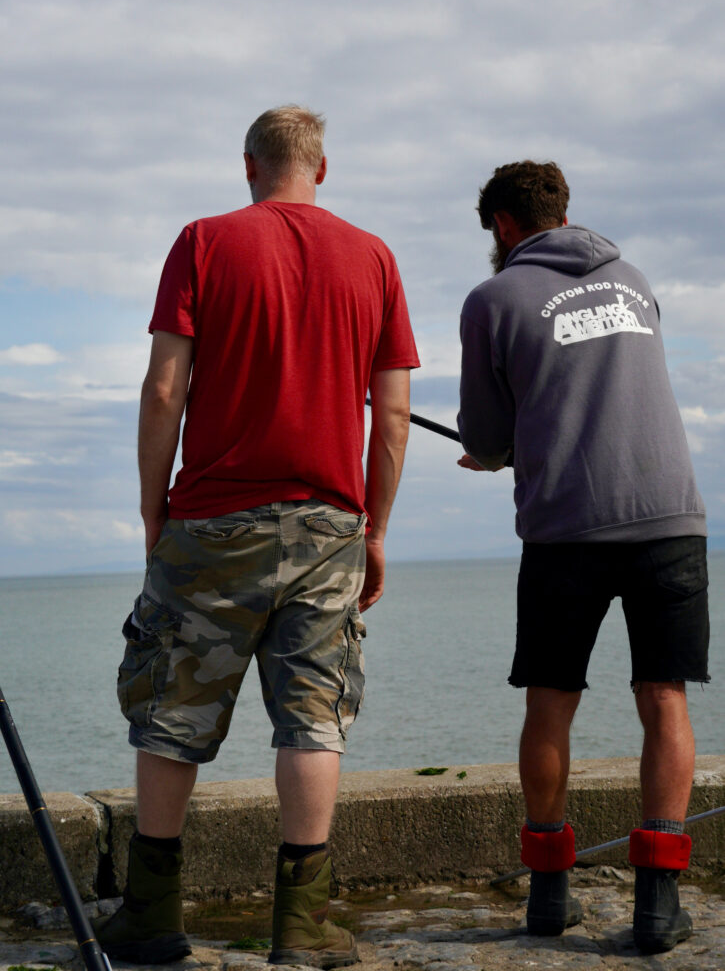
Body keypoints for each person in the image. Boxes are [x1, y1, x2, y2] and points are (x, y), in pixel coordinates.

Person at [95, 106, 419, 968]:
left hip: (210, 522)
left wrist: (153, 507)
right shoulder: (374, 257)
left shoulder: (204, 241)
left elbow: (164, 389)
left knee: (172, 712)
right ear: (323, 168)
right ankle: (302, 926)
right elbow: (391, 417)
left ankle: (151, 917)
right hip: (329, 525)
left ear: (249, 165)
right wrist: (374, 529)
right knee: (312, 717)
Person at [457, 160, 708, 955]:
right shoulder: (632, 280)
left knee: (549, 702)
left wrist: (491, 455)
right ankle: (657, 905)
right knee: (663, 699)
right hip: (669, 516)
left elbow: (485, 437)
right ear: (562, 215)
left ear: (502, 226)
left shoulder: (493, 299)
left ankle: (548, 894)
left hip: (566, 528)